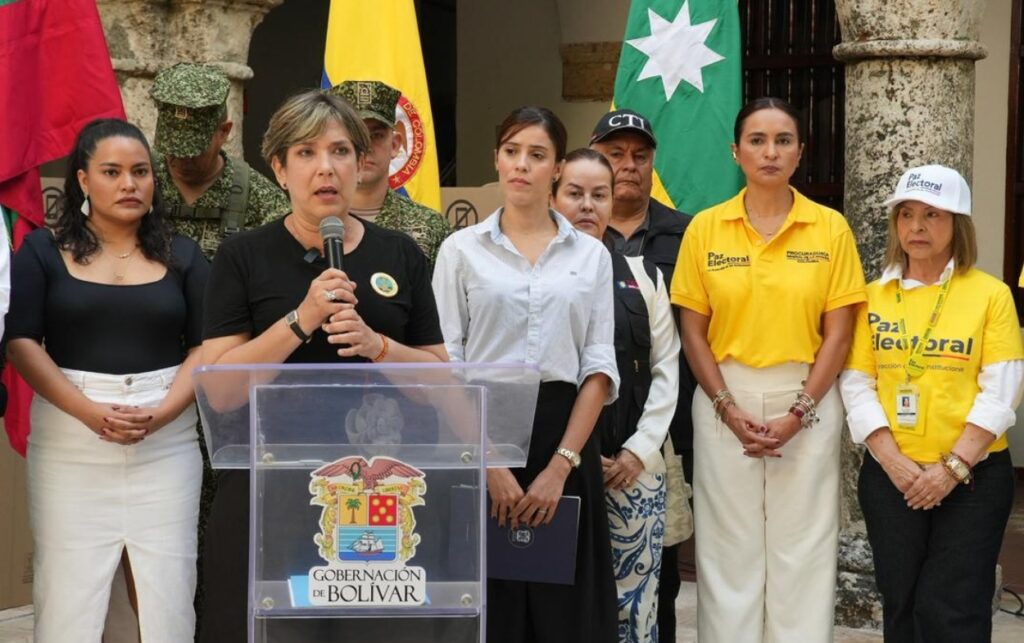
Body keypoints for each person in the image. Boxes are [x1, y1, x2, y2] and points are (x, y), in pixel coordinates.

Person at [197, 89, 447, 643]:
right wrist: (301, 318)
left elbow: (439, 382)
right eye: (306, 153)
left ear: (361, 166)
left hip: (379, 496)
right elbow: (220, 391)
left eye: (339, 151)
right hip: (272, 494)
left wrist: (378, 345)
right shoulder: (243, 256)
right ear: (280, 170)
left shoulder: (401, 254)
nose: (325, 167)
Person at [5, 118, 210, 642]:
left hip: (166, 442)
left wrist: (163, 413)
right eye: (112, 172)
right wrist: (86, 410)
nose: (129, 184)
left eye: (140, 172)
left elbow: (207, 347)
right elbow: (21, 341)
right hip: (71, 442)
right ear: (82, 180)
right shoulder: (41, 252)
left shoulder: (183, 253)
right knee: (68, 592)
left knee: (169, 587)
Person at [671, 97, 867, 642]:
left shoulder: (829, 229)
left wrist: (800, 410)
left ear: (800, 152)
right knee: (727, 545)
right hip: (722, 397)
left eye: (783, 140)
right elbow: (693, 330)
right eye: (757, 140)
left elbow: (840, 332)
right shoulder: (706, 229)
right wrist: (728, 409)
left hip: (807, 396)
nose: (770, 151)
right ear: (736, 152)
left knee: (802, 545)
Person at [433, 107, 618, 643]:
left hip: (565, 437)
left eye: (537, 155)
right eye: (512, 151)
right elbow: (447, 363)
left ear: (557, 168)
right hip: (479, 430)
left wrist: (561, 466)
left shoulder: (591, 256)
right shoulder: (460, 250)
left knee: (565, 609)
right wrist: (487, 460)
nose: (522, 165)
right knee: (491, 607)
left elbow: (598, 366)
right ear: (496, 159)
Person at [841, 164, 1023, 642]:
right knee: (900, 599)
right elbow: (856, 382)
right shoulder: (872, 296)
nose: (916, 227)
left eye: (932, 215)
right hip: (891, 477)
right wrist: (895, 462)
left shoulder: (991, 295)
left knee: (953, 605)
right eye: (906, 214)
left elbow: (1002, 390)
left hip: (973, 481)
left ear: (957, 224)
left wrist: (951, 469)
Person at [552, 148, 691, 642]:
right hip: (556, 471)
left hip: (632, 473)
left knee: (636, 610)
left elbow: (665, 369)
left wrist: (638, 451)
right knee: (559, 603)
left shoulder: (643, 276)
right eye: (575, 193)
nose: (588, 206)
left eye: (600, 195)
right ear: (552, 195)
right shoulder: (535, 277)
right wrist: (568, 457)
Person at [589, 108, 694, 638]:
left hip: (662, 435)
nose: (627, 165)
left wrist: (642, 445)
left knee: (657, 580)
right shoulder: (568, 237)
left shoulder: (688, 235)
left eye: (639, 155)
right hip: (578, 437)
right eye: (614, 154)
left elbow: (686, 343)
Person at [150, 62, 290, 259]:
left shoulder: (262, 201)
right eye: (172, 147)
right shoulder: (138, 183)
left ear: (224, 132)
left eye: (193, 150)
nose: (182, 159)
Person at [328, 79, 451, 266]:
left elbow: (442, 294)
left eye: (376, 135)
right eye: (353, 136)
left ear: (395, 145)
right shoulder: (306, 222)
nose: (365, 147)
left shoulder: (430, 227)